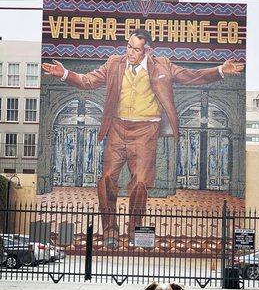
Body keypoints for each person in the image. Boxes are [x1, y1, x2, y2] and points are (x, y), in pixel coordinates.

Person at [42, 29, 244, 248]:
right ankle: (110, 230)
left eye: (135, 49)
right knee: (107, 179)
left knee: (139, 183)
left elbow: (190, 76)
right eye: (128, 46)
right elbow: (88, 80)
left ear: (147, 50)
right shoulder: (114, 63)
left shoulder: (162, 65)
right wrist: (64, 73)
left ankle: (134, 230)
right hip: (118, 128)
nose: (130, 52)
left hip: (146, 131)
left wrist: (220, 71)